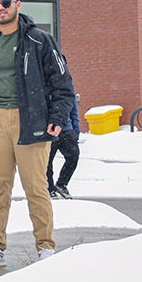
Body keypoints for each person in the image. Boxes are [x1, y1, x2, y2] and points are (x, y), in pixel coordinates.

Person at [0, 0, 75, 267]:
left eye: (6, 3)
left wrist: (58, 118)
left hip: (31, 121)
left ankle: (45, 247)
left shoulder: (39, 41)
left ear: (18, 4)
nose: (1, 9)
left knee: (36, 187)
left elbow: (63, 83)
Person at [48, 70, 81, 199]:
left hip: (66, 129)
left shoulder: (67, 85)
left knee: (73, 156)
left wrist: (76, 130)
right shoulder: (44, 85)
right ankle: (49, 188)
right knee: (47, 161)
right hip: (49, 129)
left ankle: (62, 184)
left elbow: (73, 108)